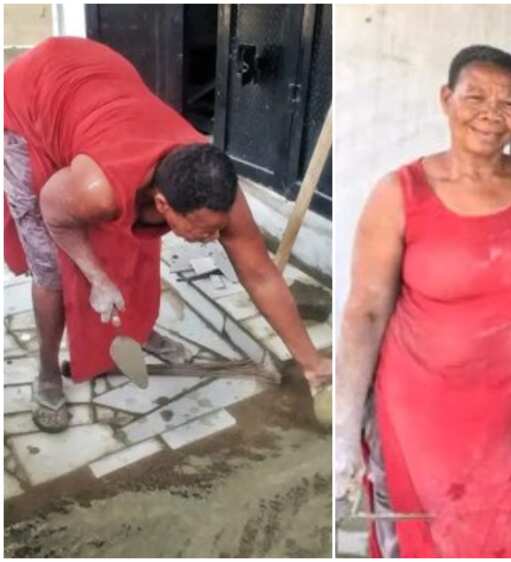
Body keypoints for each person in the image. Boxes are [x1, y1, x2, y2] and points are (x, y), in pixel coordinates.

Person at [335, 45, 511, 557]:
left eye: (508, 103)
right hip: (419, 417)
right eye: (475, 96)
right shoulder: (399, 193)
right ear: (446, 99)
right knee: (425, 541)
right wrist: (344, 431)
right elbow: (364, 313)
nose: (490, 114)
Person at [3, 37, 332, 432]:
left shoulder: (219, 193)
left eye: (216, 230)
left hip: (105, 79)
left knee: (135, 248)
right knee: (51, 268)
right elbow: (54, 212)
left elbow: (261, 275)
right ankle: (48, 372)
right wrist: (98, 278)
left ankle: (137, 327)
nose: (212, 239)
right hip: (30, 96)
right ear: (162, 204)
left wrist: (312, 364)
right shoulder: (97, 189)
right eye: (203, 231)